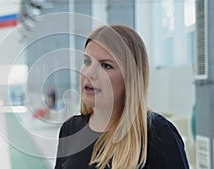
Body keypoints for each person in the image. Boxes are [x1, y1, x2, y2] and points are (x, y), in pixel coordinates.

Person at [54, 25, 189, 169]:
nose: (89, 73)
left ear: (130, 78)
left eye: (106, 65)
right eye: (87, 61)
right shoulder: (70, 129)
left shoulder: (158, 134)